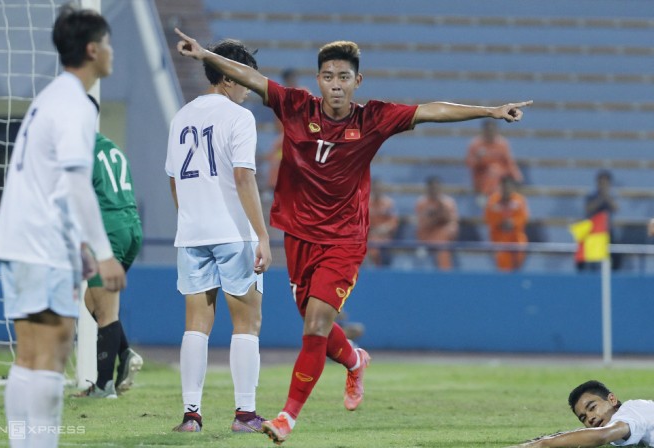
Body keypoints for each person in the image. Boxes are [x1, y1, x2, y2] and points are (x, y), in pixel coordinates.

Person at [174, 27, 532, 445]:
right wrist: (204, 54)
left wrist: (489, 111)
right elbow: (251, 78)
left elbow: (431, 109)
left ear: (356, 82)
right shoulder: (294, 106)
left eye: (343, 77)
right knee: (315, 325)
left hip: (344, 239)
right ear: (318, 80)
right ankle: (355, 360)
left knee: (316, 323)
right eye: (328, 76)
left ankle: (287, 416)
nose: (336, 85)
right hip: (299, 235)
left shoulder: (373, 118)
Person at [0, 5, 125, 447]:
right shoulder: (75, 104)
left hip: (17, 239)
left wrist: (78, 245)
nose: (111, 51)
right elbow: (74, 184)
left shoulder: (49, 97)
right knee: (51, 355)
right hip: (42, 244)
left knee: (28, 358)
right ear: (91, 49)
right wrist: (103, 253)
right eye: (106, 43)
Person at [165, 38, 272, 434]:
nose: (248, 86)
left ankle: (191, 415)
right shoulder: (238, 117)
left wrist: (191, 218)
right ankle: (245, 414)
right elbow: (244, 177)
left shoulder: (181, 116)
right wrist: (262, 234)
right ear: (228, 77)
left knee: (196, 323)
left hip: (192, 234)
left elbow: (173, 179)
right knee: (247, 322)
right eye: (244, 78)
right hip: (233, 233)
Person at [72, 97, 143, 399]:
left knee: (105, 311)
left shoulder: (79, 151)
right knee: (94, 300)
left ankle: (104, 386)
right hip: (131, 227)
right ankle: (125, 354)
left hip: (108, 230)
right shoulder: (110, 147)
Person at [507, 380, 654, 447]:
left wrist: (543, 444)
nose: (590, 418)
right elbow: (589, 433)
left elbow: (602, 435)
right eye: (583, 417)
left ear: (612, 399)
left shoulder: (631, 410)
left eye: (592, 407)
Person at [465, 119, 523, 207]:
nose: (490, 133)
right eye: (488, 130)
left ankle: (494, 198)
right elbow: (469, 163)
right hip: (481, 176)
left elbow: (509, 162)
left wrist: (517, 177)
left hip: (500, 176)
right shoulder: (476, 144)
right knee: (492, 171)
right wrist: (478, 158)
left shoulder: (502, 144)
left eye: (492, 130)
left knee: (495, 170)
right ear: (484, 131)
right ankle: (490, 197)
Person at [484, 175, 529, 271]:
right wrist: (501, 222)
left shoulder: (519, 200)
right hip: (499, 236)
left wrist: (513, 223)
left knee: (521, 245)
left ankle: (516, 272)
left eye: (508, 187)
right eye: (504, 186)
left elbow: (523, 218)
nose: (506, 189)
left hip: (515, 235)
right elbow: (489, 218)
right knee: (502, 257)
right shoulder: (493, 200)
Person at [578, 169, 620, 271]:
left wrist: (606, 197)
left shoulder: (611, 197)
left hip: (607, 232)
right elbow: (588, 209)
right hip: (593, 233)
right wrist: (601, 198)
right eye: (601, 182)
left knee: (615, 255)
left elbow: (616, 208)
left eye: (606, 183)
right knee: (590, 262)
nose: (603, 185)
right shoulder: (591, 196)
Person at [414, 176, 459, 270]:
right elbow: (423, 224)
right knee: (420, 256)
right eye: (432, 188)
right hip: (425, 240)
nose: (434, 190)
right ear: (428, 189)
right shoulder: (421, 203)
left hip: (443, 241)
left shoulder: (448, 202)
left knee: (444, 251)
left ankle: (445, 278)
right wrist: (436, 218)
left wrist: (440, 208)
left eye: (436, 188)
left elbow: (452, 223)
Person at [367, 179, 400, 266]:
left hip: (385, 237)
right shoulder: (366, 202)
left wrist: (384, 228)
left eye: (379, 187)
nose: (377, 189)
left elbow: (394, 221)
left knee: (381, 249)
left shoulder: (389, 203)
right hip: (369, 236)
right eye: (375, 187)